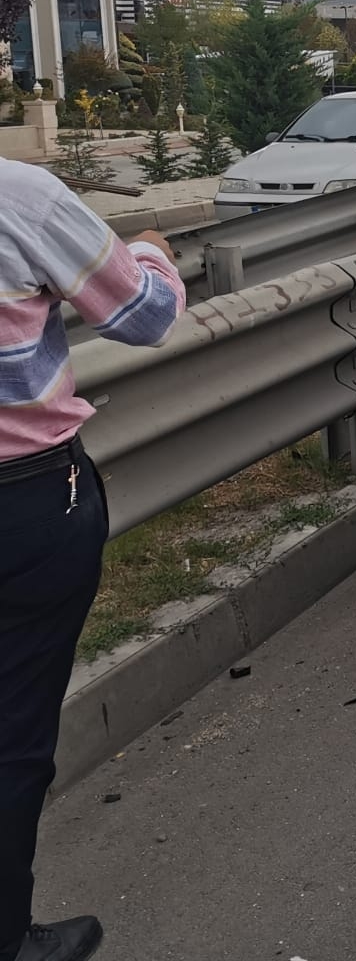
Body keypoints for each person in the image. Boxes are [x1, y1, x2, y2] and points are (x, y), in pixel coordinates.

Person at [1, 160, 186, 961]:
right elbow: (142, 317)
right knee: (11, 736)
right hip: (25, 505)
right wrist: (150, 250)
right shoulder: (22, 197)